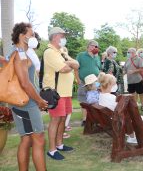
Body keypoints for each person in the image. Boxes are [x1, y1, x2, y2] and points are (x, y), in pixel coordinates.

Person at [8, 22, 48, 170]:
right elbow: (25, 83)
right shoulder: (19, 54)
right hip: (27, 105)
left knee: (26, 140)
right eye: (31, 35)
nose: (34, 37)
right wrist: (40, 101)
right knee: (39, 140)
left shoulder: (20, 53)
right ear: (21, 36)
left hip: (23, 103)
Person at [43, 27, 79, 160]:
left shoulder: (62, 51)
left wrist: (68, 63)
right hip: (56, 93)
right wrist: (70, 64)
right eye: (63, 36)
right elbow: (64, 69)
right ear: (55, 37)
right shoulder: (50, 52)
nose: (65, 38)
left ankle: (59, 144)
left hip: (66, 92)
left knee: (63, 119)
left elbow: (77, 64)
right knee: (55, 120)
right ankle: (52, 150)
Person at [98, 72, 143, 147]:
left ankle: (132, 137)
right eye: (114, 84)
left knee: (130, 117)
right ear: (109, 85)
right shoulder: (112, 98)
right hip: (119, 122)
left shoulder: (101, 96)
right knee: (142, 119)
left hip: (112, 120)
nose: (116, 86)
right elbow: (124, 109)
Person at [75, 40, 101, 126]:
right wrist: (78, 79)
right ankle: (85, 120)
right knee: (83, 100)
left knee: (95, 99)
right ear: (88, 46)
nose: (94, 48)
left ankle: (94, 118)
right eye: (93, 45)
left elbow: (99, 68)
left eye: (96, 46)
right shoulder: (81, 55)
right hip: (83, 81)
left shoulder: (97, 57)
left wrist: (99, 81)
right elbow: (76, 68)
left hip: (95, 82)